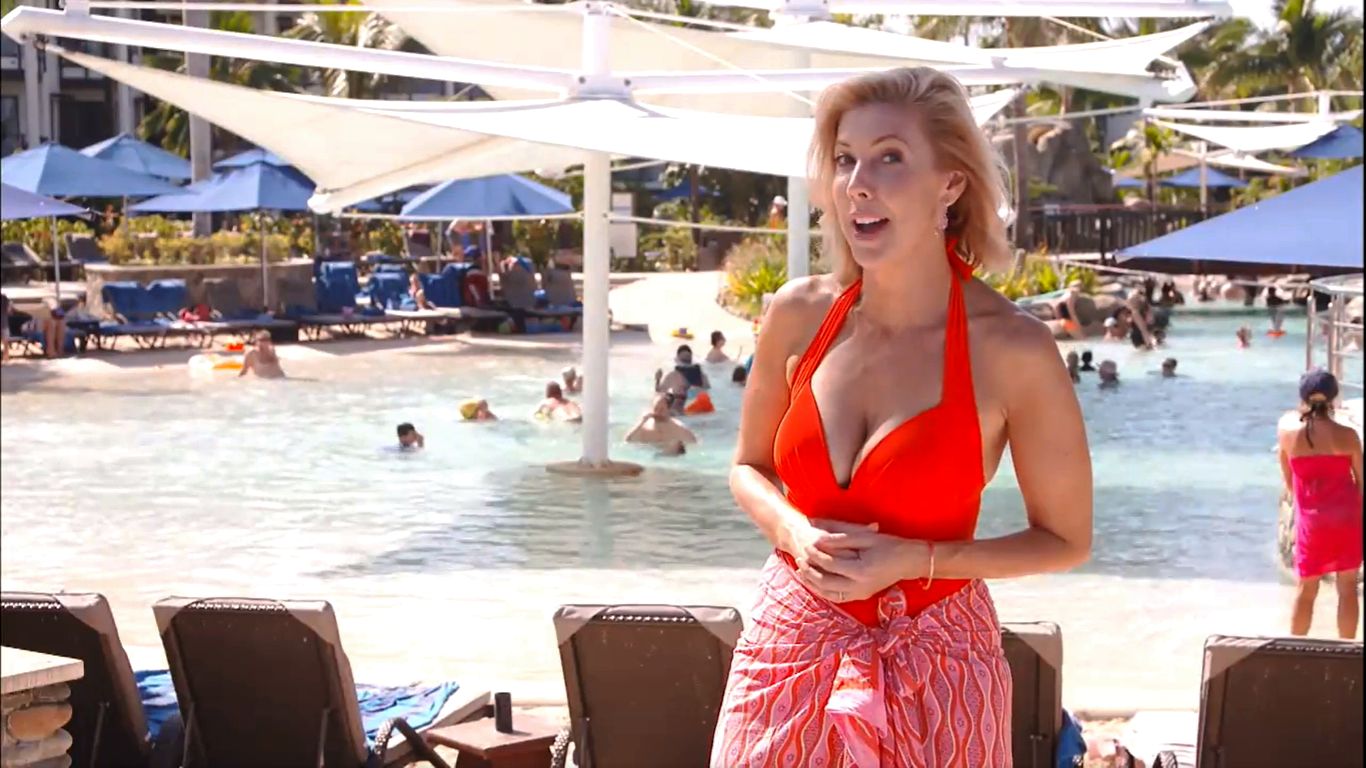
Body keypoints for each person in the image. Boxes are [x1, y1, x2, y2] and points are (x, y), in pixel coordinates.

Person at [713, 67, 1092, 765]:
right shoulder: (797, 315)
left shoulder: (1013, 349)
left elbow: (1065, 540)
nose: (858, 182)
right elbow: (748, 468)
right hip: (786, 650)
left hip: (940, 664)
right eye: (845, 159)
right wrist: (792, 530)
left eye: (889, 157)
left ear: (950, 184)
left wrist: (917, 562)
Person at [1277, 370, 1362, 639]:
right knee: (1347, 589)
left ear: (1303, 397)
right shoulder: (1348, 436)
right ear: (1334, 397)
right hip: (1347, 517)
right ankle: (1347, 653)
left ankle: (1294, 653)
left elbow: (1290, 483)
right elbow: (1362, 483)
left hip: (1312, 523)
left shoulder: (1288, 437)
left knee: (1306, 590)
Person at [625, 394, 698, 449]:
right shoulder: (645, 426)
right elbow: (627, 441)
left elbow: (694, 446)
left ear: (669, 410)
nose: (657, 412)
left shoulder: (679, 428)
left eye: (661, 409)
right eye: (655, 409)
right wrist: (642, 422)